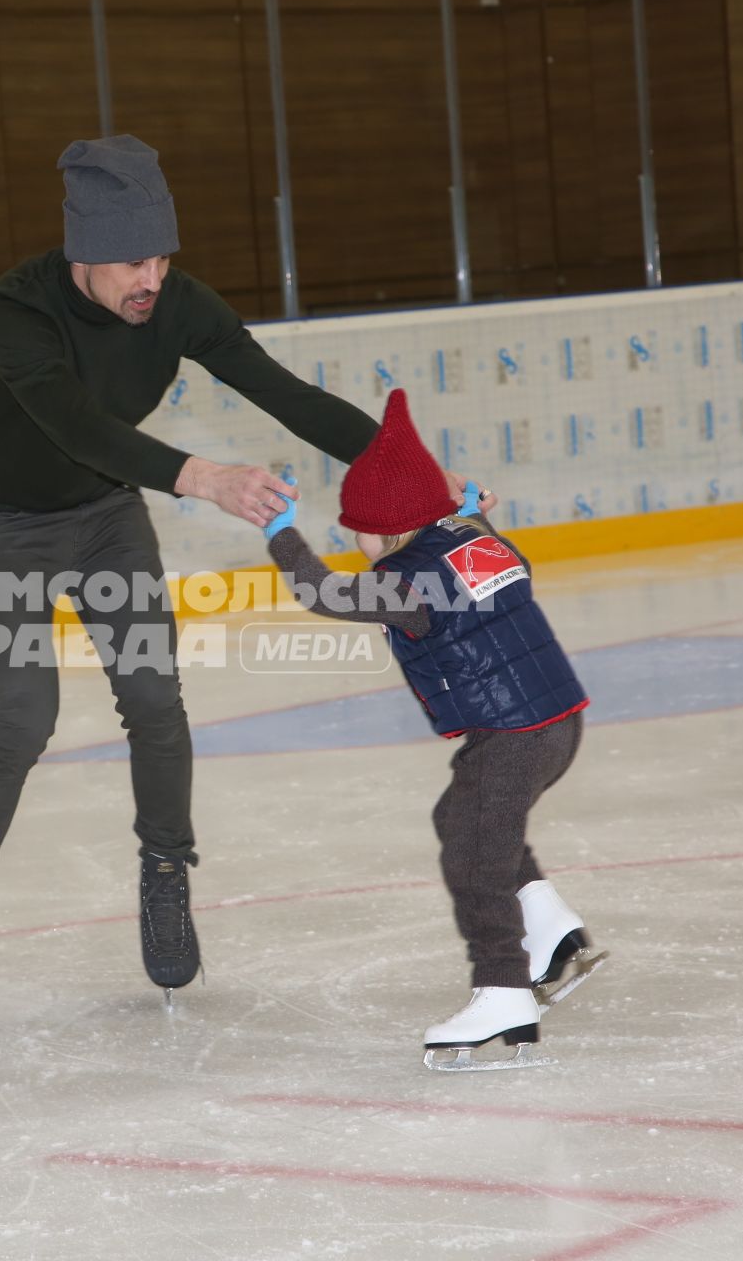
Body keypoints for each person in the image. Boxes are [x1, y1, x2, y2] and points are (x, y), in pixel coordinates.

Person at [0, 135, 381, 1041]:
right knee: (23, 718)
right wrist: (203, 478)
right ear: (82, 253)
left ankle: (166, 874)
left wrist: (412, 472)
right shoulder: (15, 312)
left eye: (161, 257)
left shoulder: (178, 305)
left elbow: (283, 394)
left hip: (108, 519)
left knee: (155, 699)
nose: (149, 280)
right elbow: (78, 426)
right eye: (129, 263)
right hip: (8, 527)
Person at [263, 389, 603, 1070]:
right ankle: (549, 923)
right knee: (466, 818)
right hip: (558, 721)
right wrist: (470, 503)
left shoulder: (408, 586)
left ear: (384, 530)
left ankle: (504, 987)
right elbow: (489, 534)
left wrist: (281, 534)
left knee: (474, 855)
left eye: (355, 528)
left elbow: (322, 592)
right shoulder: (478, 538)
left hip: (510, 734)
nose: (352, 541)